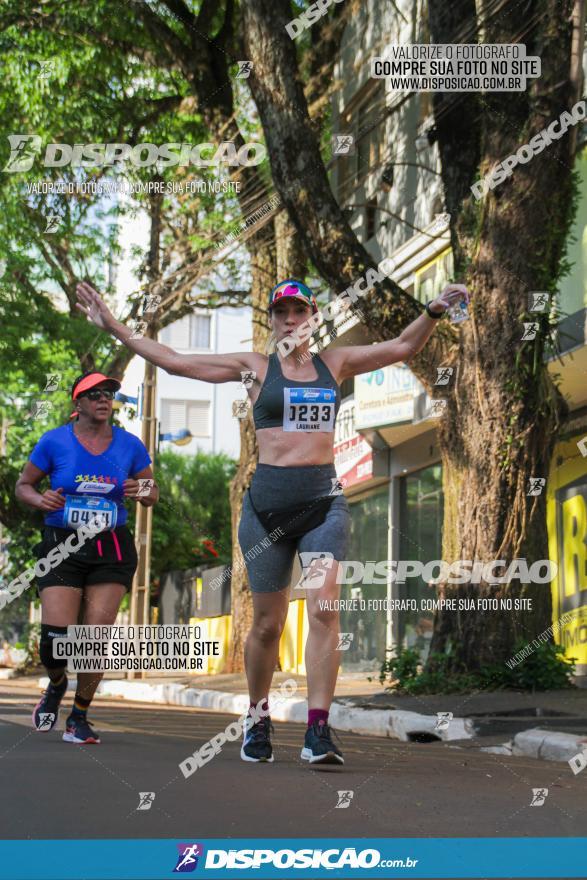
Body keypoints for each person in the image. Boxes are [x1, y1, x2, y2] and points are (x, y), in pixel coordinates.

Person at [75, 277, 468, 765]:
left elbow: (402, 346)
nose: (289, 320)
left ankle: (318, 731)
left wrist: (432, 310)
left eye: (298, 312)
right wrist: (113, 324)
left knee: (325, 608)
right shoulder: (255, 368)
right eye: (281, 313)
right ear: (273, 320)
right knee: (267, 624)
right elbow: (177, 361)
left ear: (313, 317)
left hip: (324, 503)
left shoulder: (336, 364)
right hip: (265, 511)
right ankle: (257, 717)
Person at [15, 371, 159, 744]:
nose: (103, 399)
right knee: (55, 640)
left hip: (110, 547)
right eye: (93, 394)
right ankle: (57, 683)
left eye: (108, 393)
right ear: (76, 404)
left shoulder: (129, 445)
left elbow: (152, 492)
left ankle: (79, 715)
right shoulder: (54, 442)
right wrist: (39, 498)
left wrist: (140, 487)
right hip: (62, 546)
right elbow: (23, 486)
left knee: (96, 636)